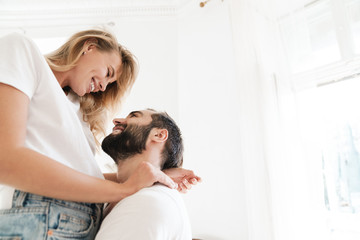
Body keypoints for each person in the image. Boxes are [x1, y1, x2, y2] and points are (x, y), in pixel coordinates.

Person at [0, 29, 199, 239]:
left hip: (77, 225)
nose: (103, 86)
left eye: (109, 84)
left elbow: (78, 177)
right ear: (90, 46)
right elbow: (6, 160)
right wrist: (125, 189)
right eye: (109, 73)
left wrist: (154, 174)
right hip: (40, 217)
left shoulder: (78, 110)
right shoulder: (22, 51)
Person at [95, 109, 193, 240]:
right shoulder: (135, 195)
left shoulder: (144, 204)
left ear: (159, 135)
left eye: (134, 116)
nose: (116, 120)